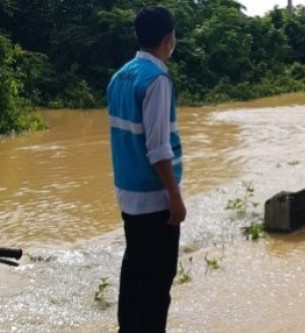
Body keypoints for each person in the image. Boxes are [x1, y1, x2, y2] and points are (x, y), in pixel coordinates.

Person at [107, 6, 186, 333]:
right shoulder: (157, 80)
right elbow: (158, 148)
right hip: (154, 200)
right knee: (156, 282)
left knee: (134, 273)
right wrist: (175, 196)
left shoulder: (120, 76)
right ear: (167, 39)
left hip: (128, 195)